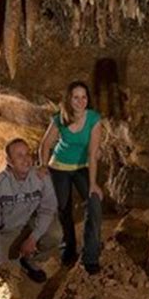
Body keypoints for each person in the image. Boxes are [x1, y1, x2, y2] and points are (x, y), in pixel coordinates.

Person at [39, 80, 103, 274]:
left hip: (83, 166)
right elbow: (45, 145)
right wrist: (43, 165)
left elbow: (93, 153)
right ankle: (69, 248)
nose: (80, 101)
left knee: (94, 204)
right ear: (69, 99)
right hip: (59, 167)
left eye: (84, 97)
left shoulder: (93, 119)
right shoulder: (60, 119)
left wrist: (93, 184)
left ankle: (90, 256)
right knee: (64, 208)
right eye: (76, 97)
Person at [0, 138, 62, 283]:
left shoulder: (41, 177)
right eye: (19, 156)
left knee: (56, 234)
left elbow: (48, 209)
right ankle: (16, 258)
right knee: (5, 268)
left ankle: (29, 259)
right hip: (8, 231)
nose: (26, 159)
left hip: (29, 224)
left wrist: (33, 238)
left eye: (27, 154)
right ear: (10, 161)